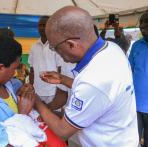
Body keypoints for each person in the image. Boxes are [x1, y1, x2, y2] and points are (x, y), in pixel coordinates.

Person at [23, 6, 138, 146]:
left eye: (54, 48)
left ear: (71, 44)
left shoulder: (93, 80)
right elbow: (104, 93)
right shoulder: (112, 49)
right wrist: (62, 79)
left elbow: (62, 130)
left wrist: (36, 101)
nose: (56, 53)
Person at [28, 16, 63, 104]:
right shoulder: (33, 46)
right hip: (37, 90)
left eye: (45, 25)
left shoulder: (56, 46)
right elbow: (31, 69)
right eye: (40, 25)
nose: (42, 28)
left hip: (53, 91)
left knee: (52, 114)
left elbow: (60, 69)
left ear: (50, 27)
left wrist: (60, 89)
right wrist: (31, 86)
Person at [129, 11, 148, 147]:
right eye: (142, 28)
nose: (144, 31)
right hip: (135, 104)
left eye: (146, 27)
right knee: (133, 139)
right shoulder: (136, 46)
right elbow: (129, 70)